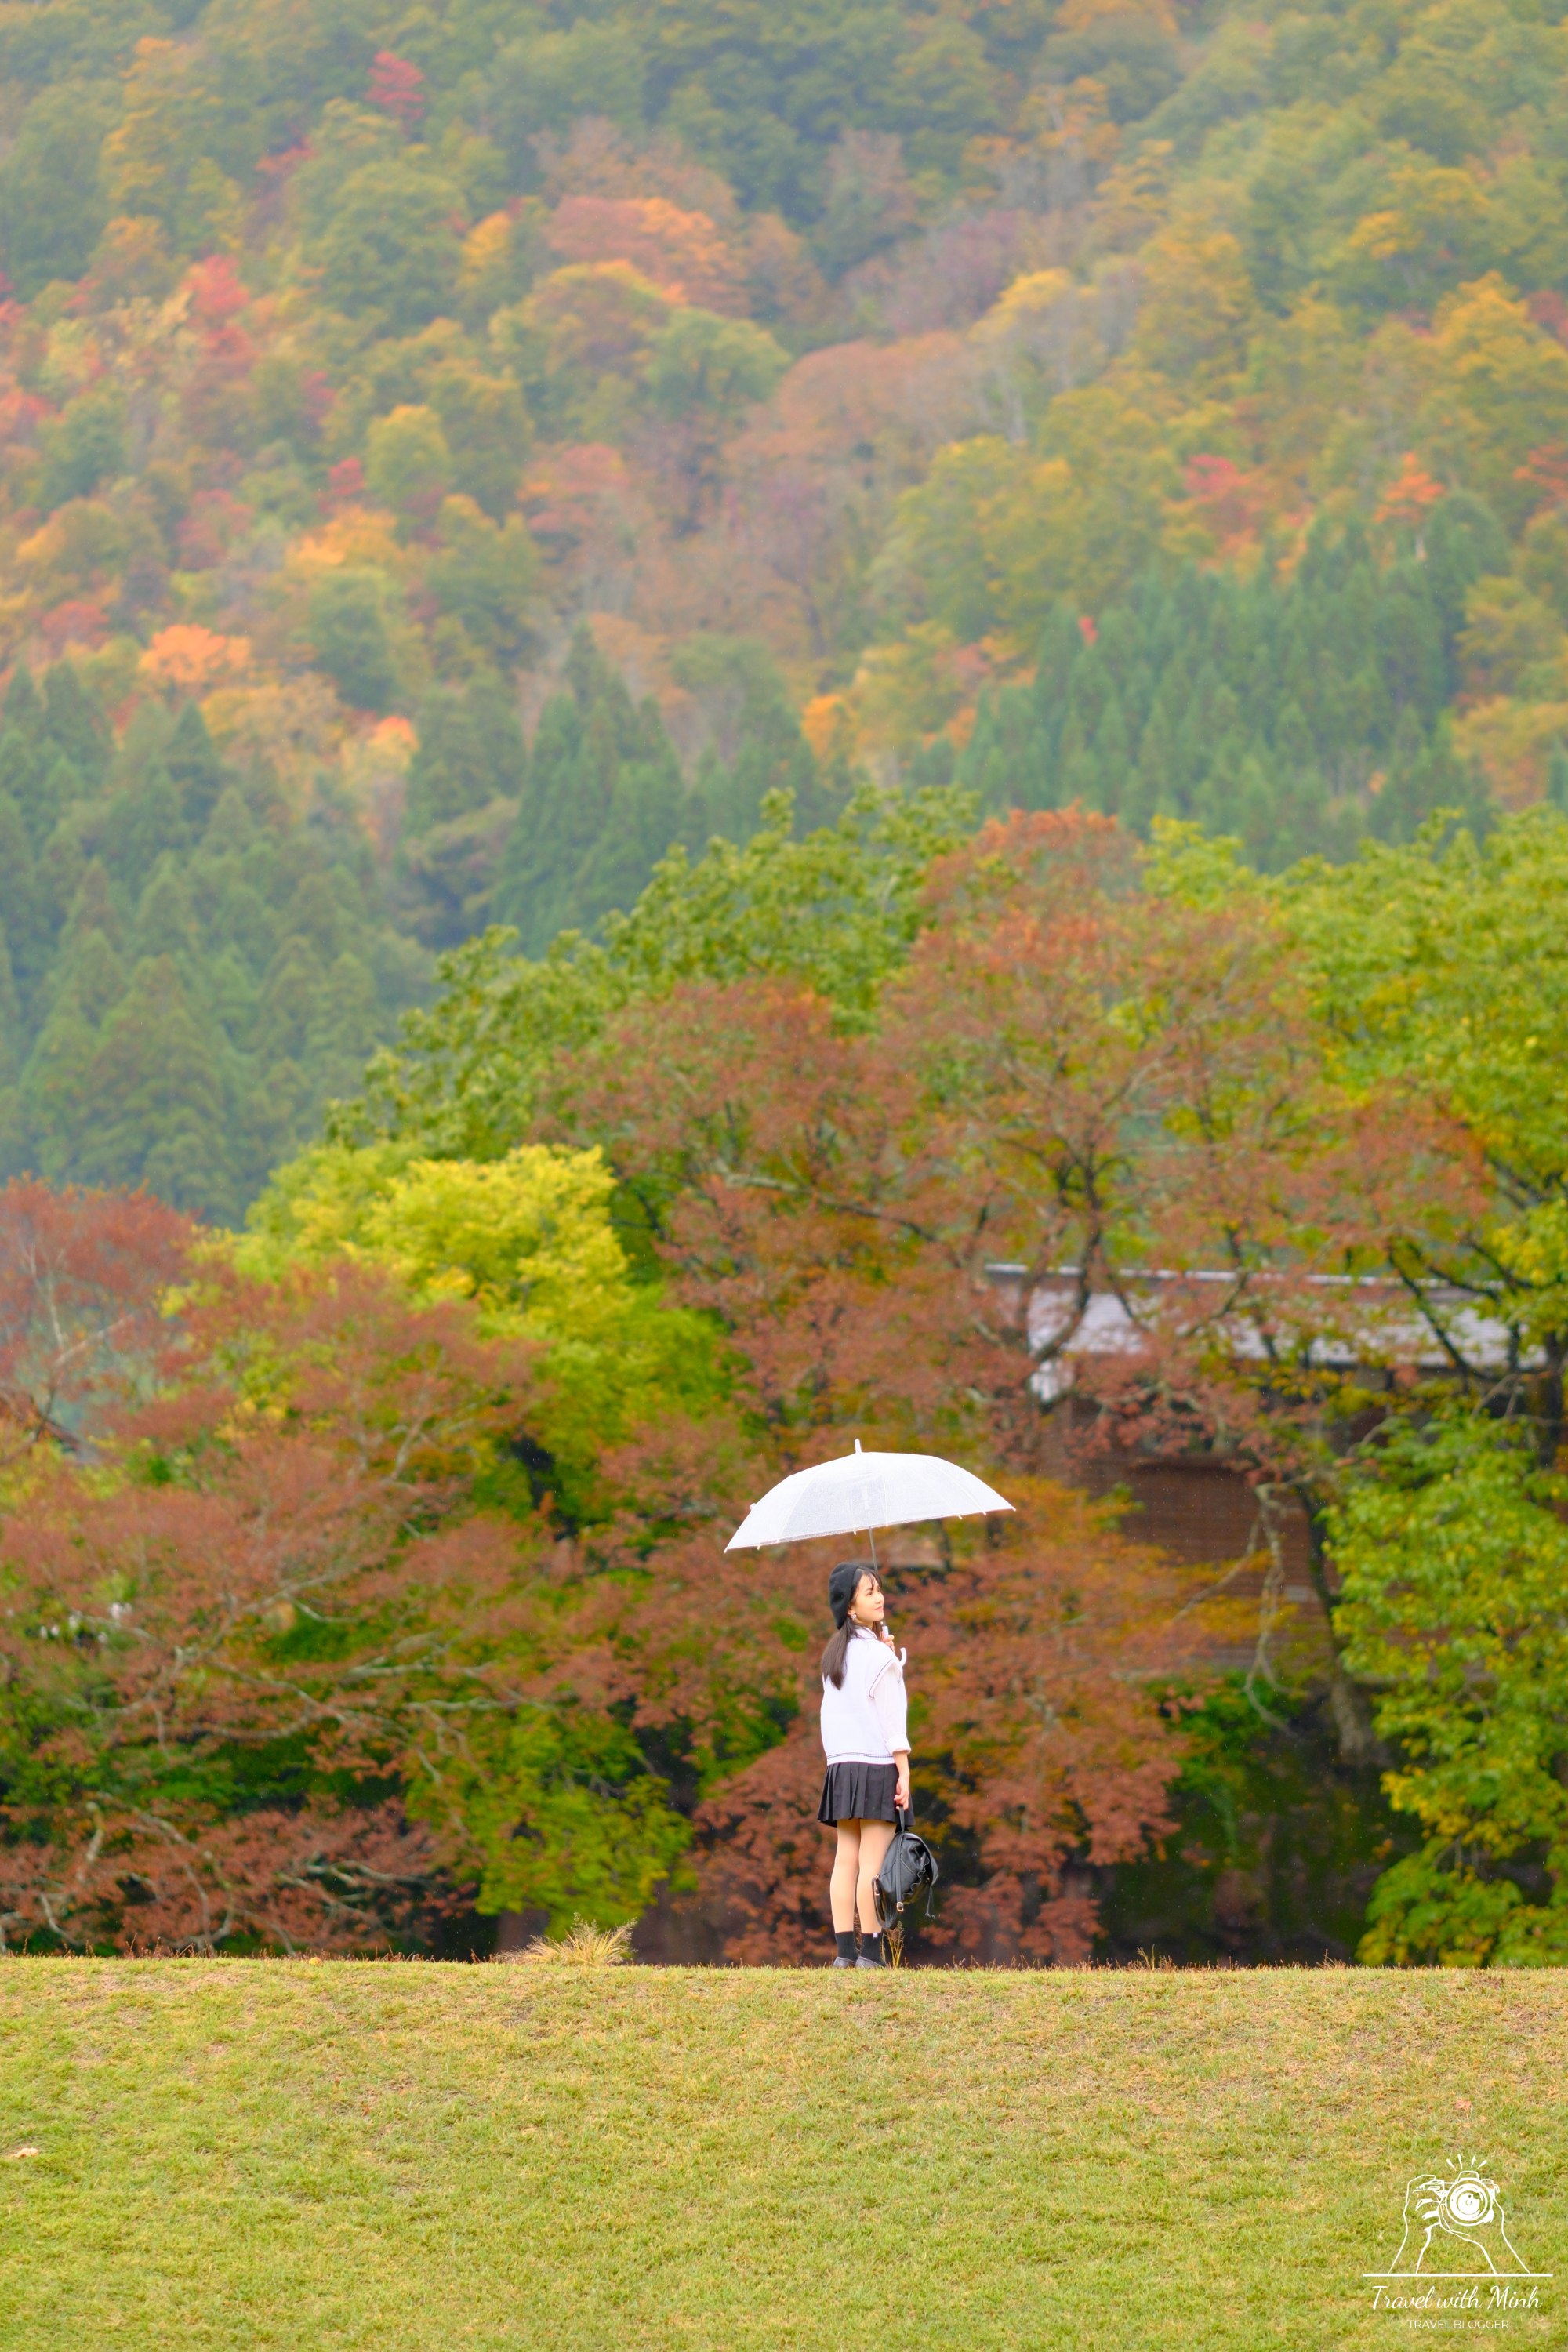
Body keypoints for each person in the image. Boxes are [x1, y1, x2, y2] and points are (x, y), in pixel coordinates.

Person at [817, 1561, 911, 1969]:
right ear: (851, 1606)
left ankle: (843, 1955)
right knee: (872, 1864)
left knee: (846, 1861)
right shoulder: (877, 1657)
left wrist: (885, 1654)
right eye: (870, 1591)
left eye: (879, 1589)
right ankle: (871, 1955)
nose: (880, 1596)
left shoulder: (834, 1656)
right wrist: (903, 1770)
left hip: (841, 1766)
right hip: (876, 1766)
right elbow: (893, 1721)